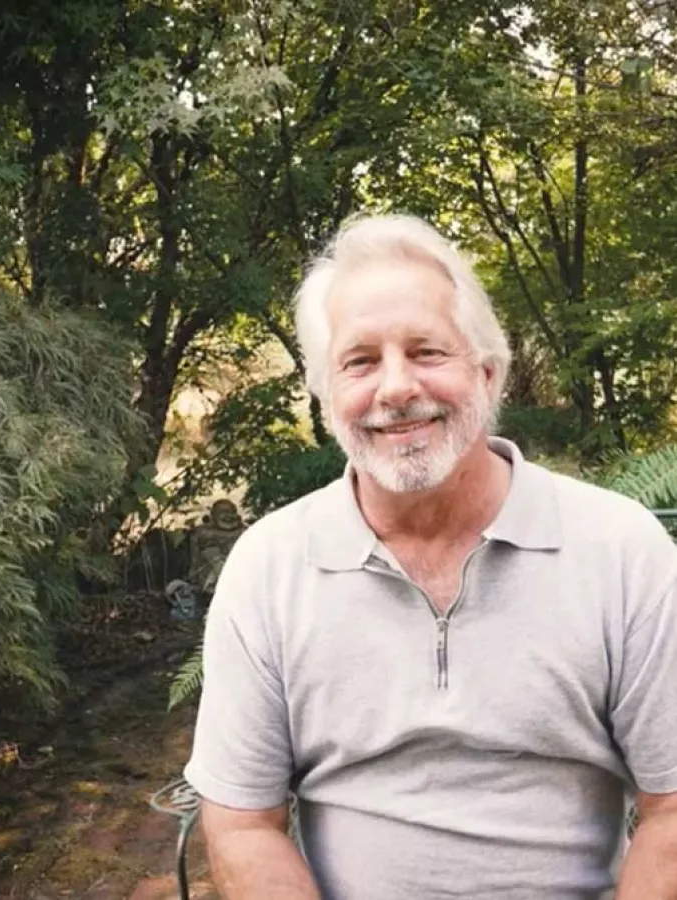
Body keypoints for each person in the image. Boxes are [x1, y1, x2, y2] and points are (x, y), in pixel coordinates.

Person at [183, 214, 677, 899]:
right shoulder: (269, 570)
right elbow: (242, 826)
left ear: (488, 372)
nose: (394, 388)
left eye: (426, 351)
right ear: (327, 397)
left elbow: (672, 810)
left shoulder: (622, 552)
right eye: (359, 361)